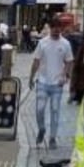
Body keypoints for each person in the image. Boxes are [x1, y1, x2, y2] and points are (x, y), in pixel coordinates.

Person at [29, 17, 74, 149]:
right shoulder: (43, 43)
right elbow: (36, 60)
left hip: (57, 83)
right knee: (39, 109)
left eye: (59, 27)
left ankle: (53, 137)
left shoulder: (65, 44)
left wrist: (66, 75)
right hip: (42, 81)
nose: (56, 30)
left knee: (55, 110)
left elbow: (69, 61)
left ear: (61, 28)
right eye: (54, 27)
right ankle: (42, 129)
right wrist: (31, 77)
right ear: (50, 27)